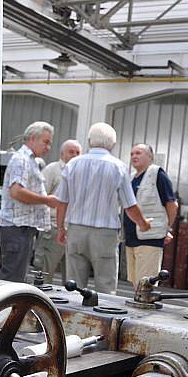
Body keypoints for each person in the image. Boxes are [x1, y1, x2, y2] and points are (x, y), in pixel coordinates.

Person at [55, 122, 151, 294]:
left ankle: (72, 319)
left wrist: (61, 228)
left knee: (74, 285)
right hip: (105, 234)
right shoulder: (118, 167)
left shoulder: (73, 164)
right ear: (112, 143)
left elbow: (62, 201)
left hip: (76, 230)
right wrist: (143, 224)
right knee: (105, 286)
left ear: (90, 141)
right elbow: (130, 206)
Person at [0, 121, 57, 283]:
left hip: (23, 229)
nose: (48, 148)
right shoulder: (21, 160)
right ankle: (6, 308)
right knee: (12, 279)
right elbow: (16, 191)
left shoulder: (30, 161)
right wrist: (46, 200)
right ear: (32, 138)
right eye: (46, 142)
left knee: (17, 277)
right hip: (17, 228)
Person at [123, 143, 178, 288]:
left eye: (139, 153)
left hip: (149, 239)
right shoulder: (131, 178)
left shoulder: (157, 174)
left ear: (150, 157)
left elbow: (172, 205)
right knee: (136, 284)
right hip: (131, 239)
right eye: (132, 154)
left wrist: (167, 229)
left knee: (146, 285)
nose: (134, 156)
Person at [34, 138, 82, 283]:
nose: (74, 155)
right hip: (53, 228)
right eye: (71, 152)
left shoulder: (81, 173)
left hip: (74, 228)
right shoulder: (52, 170)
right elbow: (40, 196)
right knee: (45, 271)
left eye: (78, 152)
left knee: (73, 277)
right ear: (62, 154)